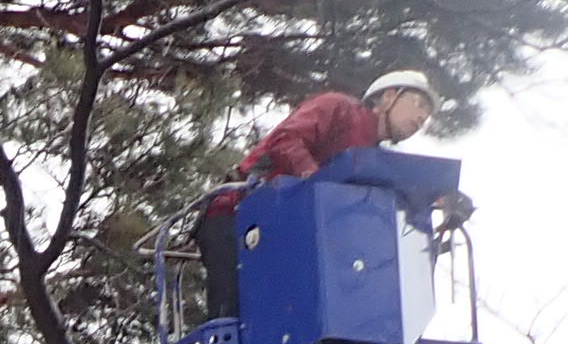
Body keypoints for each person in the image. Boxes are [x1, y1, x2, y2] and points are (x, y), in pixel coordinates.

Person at [195, 67, 455, 325]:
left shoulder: (375, 160)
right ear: (388, 96)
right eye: (418, 104)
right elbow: (285, 141)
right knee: (232, 311)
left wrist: (444, 198)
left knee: (296, 319)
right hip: (235, 214)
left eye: (427, 115)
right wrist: (315, 180)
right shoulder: (338, 108)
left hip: (280, 231)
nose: (421, 118)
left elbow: (403, 193)